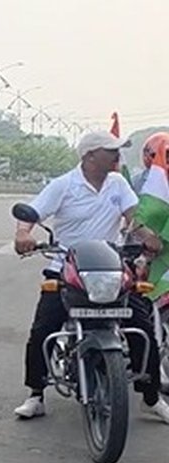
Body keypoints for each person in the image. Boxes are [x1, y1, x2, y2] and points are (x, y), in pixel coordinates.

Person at [13, 130, 169, 423]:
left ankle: (150, 397)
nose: (117, 156)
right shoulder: (63, 185)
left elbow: (133, 216)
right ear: (89, 156)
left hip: (111, 267)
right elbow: (32, 214)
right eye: (111, 151)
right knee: (42, 329)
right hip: (67, 267)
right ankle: (36, 394)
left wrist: (147, 236)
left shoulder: (118, 182)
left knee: (142, 325)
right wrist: (23, 234)